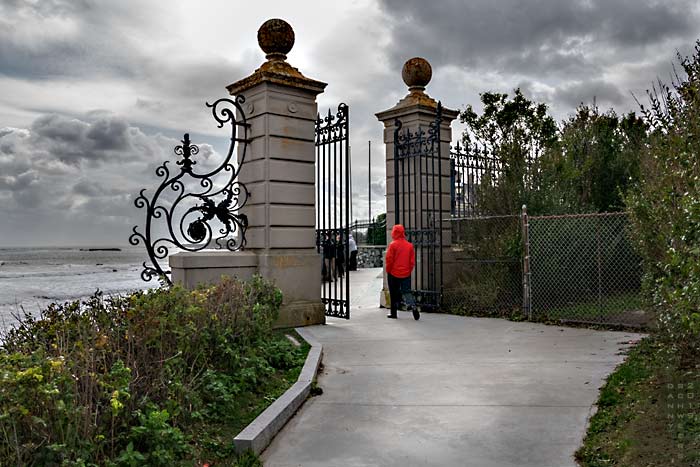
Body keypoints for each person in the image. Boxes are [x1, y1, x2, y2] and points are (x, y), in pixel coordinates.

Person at [385, 224, 418, 320]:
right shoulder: (409, 246)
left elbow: (389, 260)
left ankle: (394, 313)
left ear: (394, 233)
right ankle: (413, 307)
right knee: (407, 292)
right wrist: (408, 271)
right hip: (406, 273)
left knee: (393, 293)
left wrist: (388, 271)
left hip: (393, 273)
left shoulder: (393, 245)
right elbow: (412, 262)